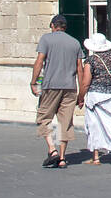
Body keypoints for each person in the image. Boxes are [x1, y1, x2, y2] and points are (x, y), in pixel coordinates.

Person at [30, 15, 84, 168]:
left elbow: (40, 61)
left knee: (44, 117)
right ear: (65, 27)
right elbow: (79, 68)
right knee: (65, 122)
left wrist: (33, 82)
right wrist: (81, 94)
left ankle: (52, 149)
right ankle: (62, 157)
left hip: (50, 85)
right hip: (70, 87)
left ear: (53, 25)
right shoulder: (75, 43)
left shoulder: (46, 39)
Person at [79, 33, 111, 167]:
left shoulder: (91, 60)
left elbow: (86, 82)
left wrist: (80, 97)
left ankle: (95, 158)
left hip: (96, 96)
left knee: (94, 124)